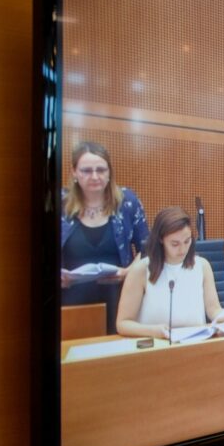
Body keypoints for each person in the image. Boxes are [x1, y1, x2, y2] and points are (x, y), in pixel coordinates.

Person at [115, 207, 224, 339]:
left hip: (196, 343)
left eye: (187, 241)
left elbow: (214, 310)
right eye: (175, 244)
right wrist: (153, 331)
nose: (183, 249)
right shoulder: (140, 270)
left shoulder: (202, 266)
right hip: (155, 346)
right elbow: (123, 323)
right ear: (161, 240)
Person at [60, 141, 149, 334]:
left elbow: (147, 250)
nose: (94, 176)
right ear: (74, 172)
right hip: (71, 302)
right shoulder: (60, 204)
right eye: (86, 170)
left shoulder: (127, 202)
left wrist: (126, 273)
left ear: (109, 173)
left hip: (119, 300)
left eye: (101, 170)